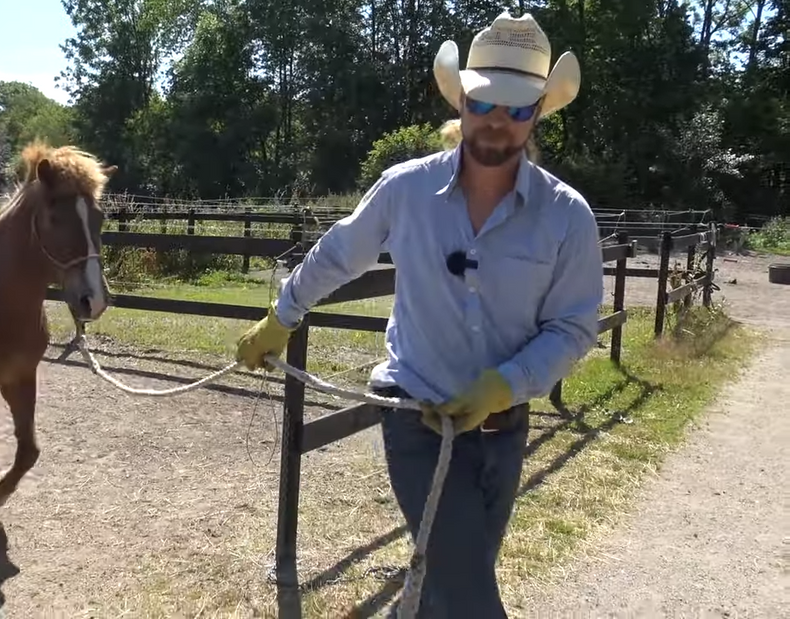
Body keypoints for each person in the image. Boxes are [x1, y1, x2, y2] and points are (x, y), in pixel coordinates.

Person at [235, 11, 604, 619]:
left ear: (538, 113)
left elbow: (573, 327)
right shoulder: (405, 190)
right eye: (484, 103)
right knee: (469, 598)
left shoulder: (568, 217)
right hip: (417, 419)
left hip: (503, 430)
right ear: (461, 98)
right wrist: (284, 314)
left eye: (516, 109)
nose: (496, 122)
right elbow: (339, 253)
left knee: (453, 581)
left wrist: (502, 385)